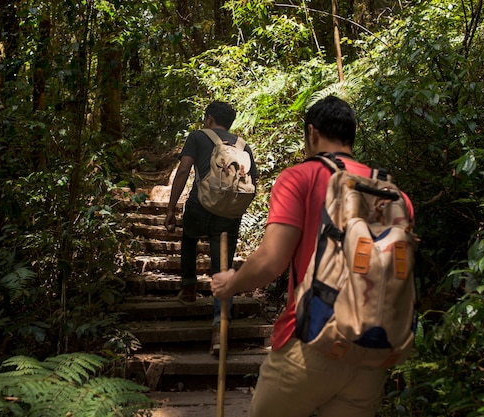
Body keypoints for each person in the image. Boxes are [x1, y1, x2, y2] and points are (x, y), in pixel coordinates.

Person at [211, 95, 414, 417]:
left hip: (312, 340)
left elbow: (271, 261)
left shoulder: (300, 177)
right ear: (351, 135)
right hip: (372, 350)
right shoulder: (391, 194)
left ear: (312, 133)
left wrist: (231, 284)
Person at [164, 101, 258, 355]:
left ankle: (189, 288)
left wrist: (171, 208)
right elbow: (253, 183)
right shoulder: (242, 145)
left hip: (200, 205)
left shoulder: (198, 136)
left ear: (208, 119)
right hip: (228, 213)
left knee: (188, 240)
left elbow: (184, 170)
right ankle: (220, 327)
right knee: (222, 267)